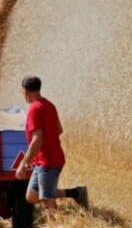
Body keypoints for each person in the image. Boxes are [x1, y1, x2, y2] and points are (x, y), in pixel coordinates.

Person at [15, 75, 88, 210]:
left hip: (47, 162)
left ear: (25, 91)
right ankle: (75, 193)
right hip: (47, 160)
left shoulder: (34, 110)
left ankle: (54, 222)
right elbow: (59, 129)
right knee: (31, 196)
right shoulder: (49, 105)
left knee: (48, 200)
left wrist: (24, 164)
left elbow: (37, 140)